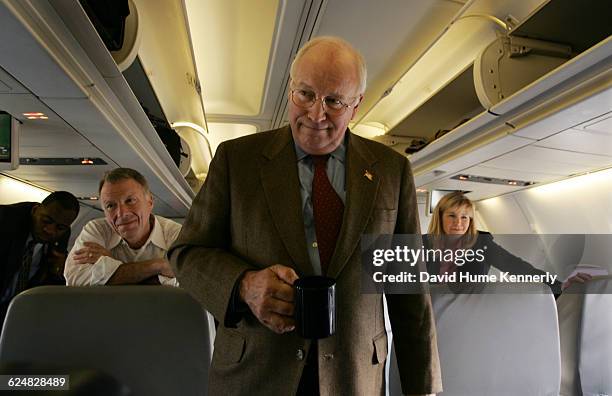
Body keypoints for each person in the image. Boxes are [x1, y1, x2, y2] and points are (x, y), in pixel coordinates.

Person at [168, 37, 441, 396]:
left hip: (353, 376)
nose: (316, 114)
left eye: (334, 101)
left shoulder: (392, 171)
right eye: (306, 95)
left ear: (356, 105)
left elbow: (410, 294)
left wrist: (424, 389)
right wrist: (244, 285)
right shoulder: (237, 160)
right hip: (255, 373)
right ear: (290, 90)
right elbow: (186, 253)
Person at [425, 191, 591, 292]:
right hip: (432, 313)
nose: (458, 223)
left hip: (471, 311)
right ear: (440, 218)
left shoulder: (481, 243)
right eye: (452, 216)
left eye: (464, 217)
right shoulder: (423, 244)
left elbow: (516, 266)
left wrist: (558, 285)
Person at [64, 168, 180, 286]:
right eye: (110, 206)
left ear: (150, 202)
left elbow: (187, 285)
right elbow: (75, 279)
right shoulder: (96, 230)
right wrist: (157, 266)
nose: (121, 213)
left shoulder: (176, 234)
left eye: (130, 200)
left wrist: (111, 266)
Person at [0, 191, 79, 326]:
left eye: (60, 227)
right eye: (46, 221)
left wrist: (59, 271)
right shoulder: (5, 219)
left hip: (18, 314)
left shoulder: (62, 234)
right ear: (35, 210)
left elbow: (51, 278)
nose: (50, 230)